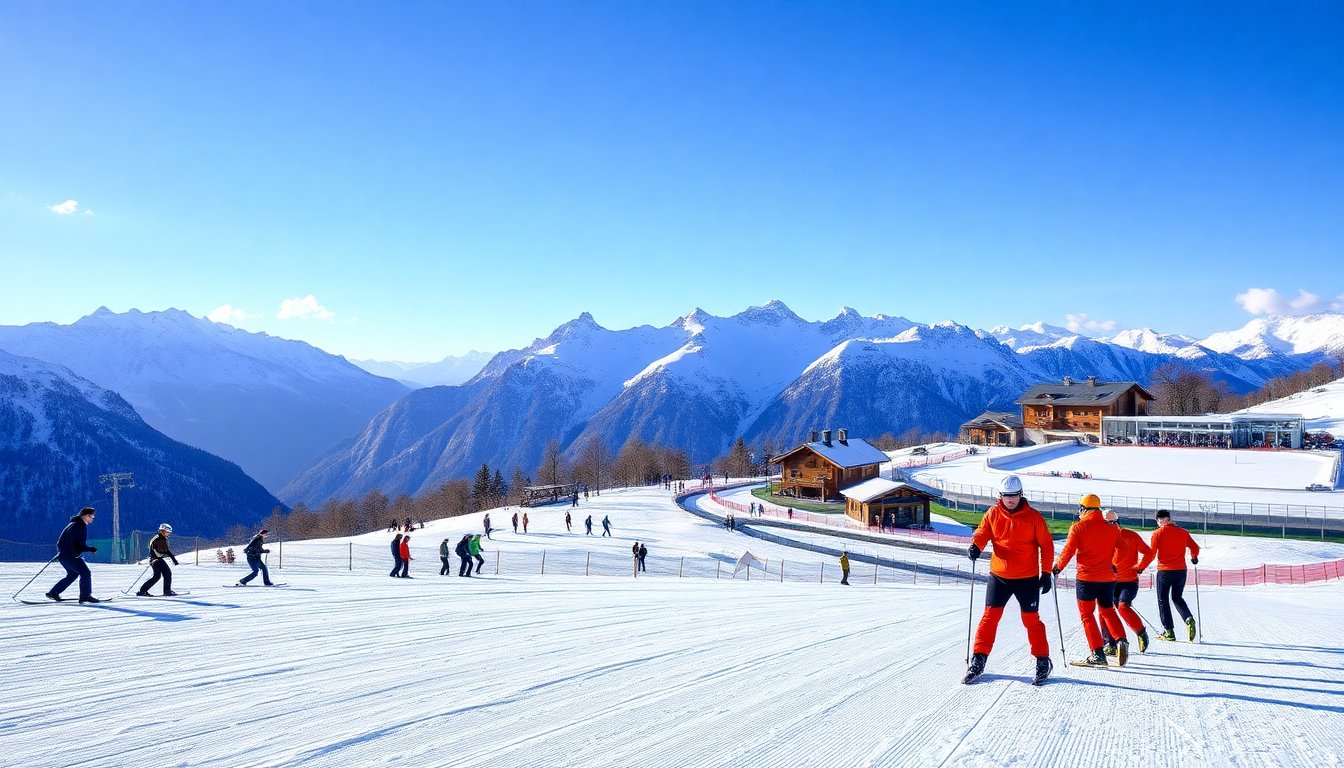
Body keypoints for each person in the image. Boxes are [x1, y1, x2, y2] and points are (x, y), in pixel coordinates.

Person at [964, 475, 1054, 685]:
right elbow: (983, 531)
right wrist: (976, 546)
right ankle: (978, 659)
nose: (1010, 500)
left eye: (1014, 496)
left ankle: (1043, 660)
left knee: (1031, 620)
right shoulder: (993, 514)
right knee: (989, 618)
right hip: (1000, 577)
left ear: (1021, 495)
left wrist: (1046, 573)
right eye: (1006, 496)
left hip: (1027, 578)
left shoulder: (1034, 517)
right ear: (1000, 496)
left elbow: (1047, 546)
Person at [1052, 494, 1128, 667]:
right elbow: (1123, 548)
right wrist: (1115, 564)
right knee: (1108, 610)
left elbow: (1068, 551)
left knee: (1087, 615)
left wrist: (1057, 568)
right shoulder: (1112, 528)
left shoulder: (1078, 527)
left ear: (1084, 509)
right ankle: (1121, 641)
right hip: (1108, 578)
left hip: (1086, 578)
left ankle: (1097, 653)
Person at [1138, 509, 1200, 641]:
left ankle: (1169, 632)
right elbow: (1195, 548)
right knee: (1177, 598)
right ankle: (1188, 618)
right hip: (1181, 571)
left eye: (1158, 520)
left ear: (1161, 520)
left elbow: (1151, 554)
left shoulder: (1157, 533)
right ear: (1169, 518)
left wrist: (1140, 567)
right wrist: (1194, 558)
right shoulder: (1183, 532)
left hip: (1165, 572)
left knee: (1163, 600)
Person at [1101, 509, 1153, 654]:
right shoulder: (1102, 539)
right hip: (1110, 582)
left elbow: (1149, 553)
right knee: (1106, 611)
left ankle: (1141, 632)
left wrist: (1140, 567)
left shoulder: (1131, 536)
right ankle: (1111, 644)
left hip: (1129, 582)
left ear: (1116, 523)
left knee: (1123, 607)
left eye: (1110, 524)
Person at [46, 507, 100, 603]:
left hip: (64, 556)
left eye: (93, 516)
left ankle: (53, 592)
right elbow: (79, 545)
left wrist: (62, 553)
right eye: (90, 516)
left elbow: (61, 542)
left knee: (73, 574)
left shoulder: (73, 524)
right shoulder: (80, 526)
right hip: (71, 556)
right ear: (84, 516)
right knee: (85, 573)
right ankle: (85, 595)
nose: (92, 518)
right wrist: (89, 549)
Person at [138, 523, 180, 596]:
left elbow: (166, 550)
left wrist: (173, 559)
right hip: (156, 560)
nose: (169, 534)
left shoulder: (162, 538)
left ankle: (143, 591)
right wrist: (161, 556)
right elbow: (156, 550)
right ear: (163, 531)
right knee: (167, 573)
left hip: (156, 559)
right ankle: (167, 591)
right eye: (168, 532)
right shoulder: (158, 539)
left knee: (157, 576)